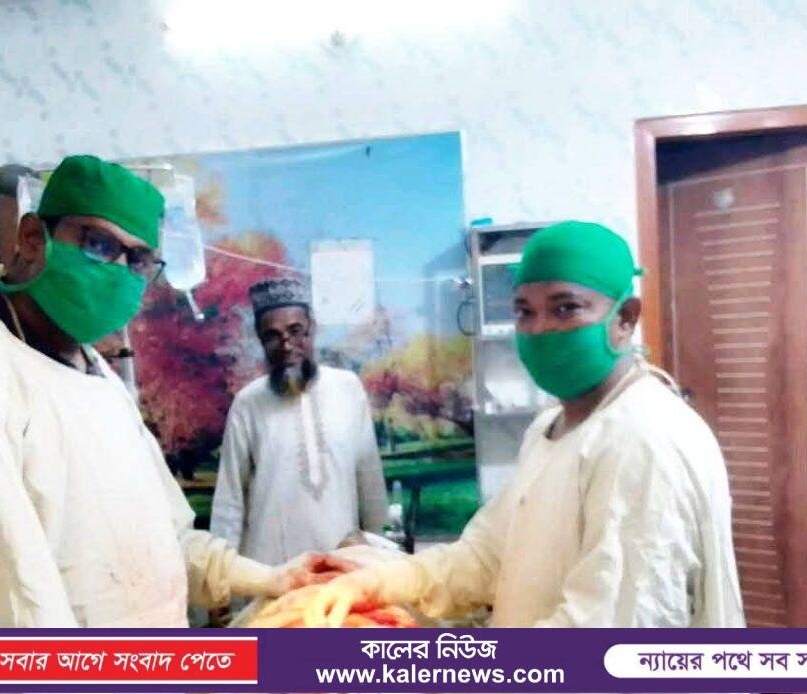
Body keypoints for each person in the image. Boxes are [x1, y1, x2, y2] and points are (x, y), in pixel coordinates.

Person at [0, 155, 316, 627]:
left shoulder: (96, 377)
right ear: (32, 238)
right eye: (98, 244)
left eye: (138, 260)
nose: (120, 271)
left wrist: (276, 579)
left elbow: (167, 542)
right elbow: (14, 630)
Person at [305, 221, 745, 628]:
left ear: (625, 318)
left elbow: (608, 632)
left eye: (565, 309)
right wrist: (379, 582)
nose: (540, 329)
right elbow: (486, 557)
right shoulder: (550, 428)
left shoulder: (643, 438)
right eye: (524, 312)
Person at [210, 277, 388, 567]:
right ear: (260, 339)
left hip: (342, 568)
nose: (286, 345)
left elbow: (370, 483)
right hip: (270, 573)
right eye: (273, 336)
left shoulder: (348, 388)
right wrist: (222, 575)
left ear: (312, 329)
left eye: (295, 331)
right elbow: (229, 501)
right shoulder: (248, 403)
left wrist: (381, 559)